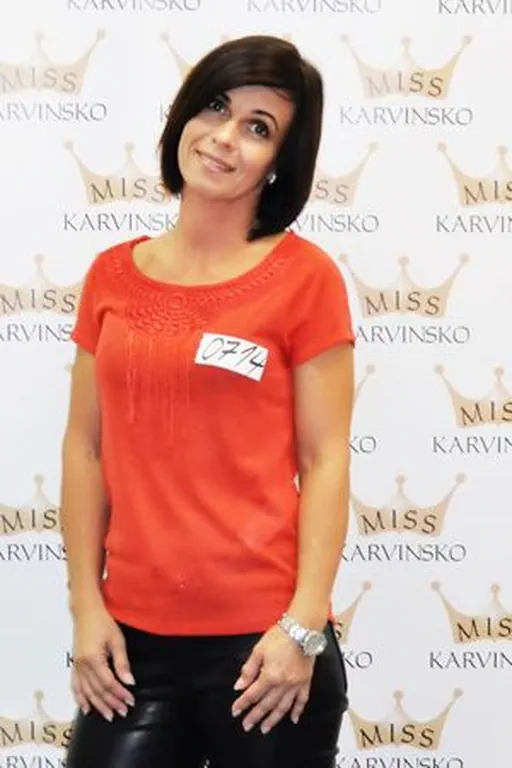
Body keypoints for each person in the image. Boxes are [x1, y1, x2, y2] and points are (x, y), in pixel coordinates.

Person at [61, 33, 355, 768]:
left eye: (259, 127)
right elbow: (86, 447)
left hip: (265, 647)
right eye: (217, 107)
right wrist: (87, 606)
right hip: (130, 646)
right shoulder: (111, 276)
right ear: (185, 115)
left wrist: (302, 629)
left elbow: (325, 459)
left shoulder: (306, 278)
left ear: (280, 160)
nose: (225, 137)